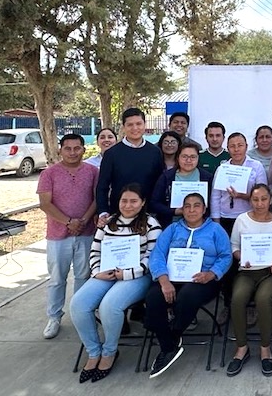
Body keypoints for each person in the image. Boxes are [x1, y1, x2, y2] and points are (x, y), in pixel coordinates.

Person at [70, 184, 162, 383]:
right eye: (124, 201)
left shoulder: (151, 224)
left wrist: (127, 274)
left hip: (137, 277)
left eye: (133, 201)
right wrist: (97, 272)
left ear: (143, 202)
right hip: (106, 274)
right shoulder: (108, 222)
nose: (128, 205)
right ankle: (94, 351)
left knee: (110, 306)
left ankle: (110, 351)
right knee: (78, 304)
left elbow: (153, 258)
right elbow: (95, 252)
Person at [145, 192, 232, 378]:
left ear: (204, 209)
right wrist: (164, 280)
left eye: (196, 205)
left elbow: (226, 256)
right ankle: (168, 347)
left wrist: (211, 274)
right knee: (153, 298)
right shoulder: (172, 229)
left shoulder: (216, 230)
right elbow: (157, 255)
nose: (192, 210)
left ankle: (173, 335)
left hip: (202, 280)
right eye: (187, 206)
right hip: (171, 278)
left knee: (187, 296)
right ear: (182, 209)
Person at [38, 133, 99, 339]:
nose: (72, 152)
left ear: (84, 149)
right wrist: (68, 222)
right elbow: (45, 204)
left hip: (86, 231)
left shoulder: (92, 171)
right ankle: (54, 317)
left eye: (77, 148)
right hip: (58, 234)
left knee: (83, 276)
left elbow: (96, 199)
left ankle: (81, 314)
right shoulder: (49, 174)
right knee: (57, 278)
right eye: (68, 148)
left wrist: (82, 220)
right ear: (60, 150)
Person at [226, 184, 272, 377]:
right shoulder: (241, 220)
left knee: (263, 299)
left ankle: (265, 348)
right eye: (256, 199)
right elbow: (234, 246)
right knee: (237, 299)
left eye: (264, 199)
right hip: (247, 271)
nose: (260, 203)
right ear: (250, 200)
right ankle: (242, 348)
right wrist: (240, 256)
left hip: (271, 273)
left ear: (270, 200)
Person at [96, 107, 164, 220]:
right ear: (124, 127)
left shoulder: (155, 152)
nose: (135, 128)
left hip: (149, 214)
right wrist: (103, 211)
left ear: (144, 125)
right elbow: (103, 186)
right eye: (130, 125)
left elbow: (159, 184)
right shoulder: (112, 154)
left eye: (138, 124)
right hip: (119, 213)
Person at [210, 132, 268, 235]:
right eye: (232, 146)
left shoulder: (256, 166)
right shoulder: (222, 168)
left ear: (246, 147)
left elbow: (264, 194)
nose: (236, 150)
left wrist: (242, 196)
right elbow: (215, 197)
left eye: (240, 145)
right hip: (225, 217)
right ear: (227, 148)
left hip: (250, 216)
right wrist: (216, 222)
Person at [150, 142, 214, 228]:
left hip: (201, 225)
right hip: (171, 224)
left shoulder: (207, 177)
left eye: (193, 157)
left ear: (198, 158)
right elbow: (154, 203)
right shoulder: (166, 177)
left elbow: (212, 204)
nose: (188, 160)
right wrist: (174, 211)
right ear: (178, 158)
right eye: (184, 156)